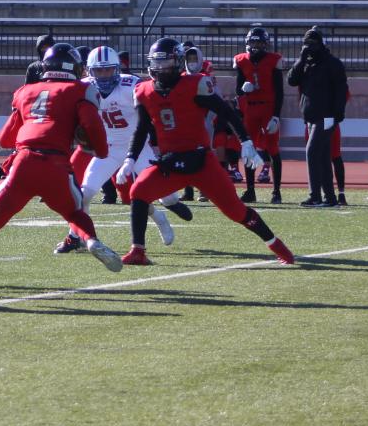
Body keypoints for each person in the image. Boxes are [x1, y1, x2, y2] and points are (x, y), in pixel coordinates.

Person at [0, 42, 124, 295]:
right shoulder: (81, 90)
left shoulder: (25, 91)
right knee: (75, 213)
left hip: (23, 164)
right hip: (55, 164)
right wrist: (100, 151)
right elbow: (93, 127)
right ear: (75, 68)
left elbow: (6, 139)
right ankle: (91, 241)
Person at [118, 37, 292, 266]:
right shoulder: (143, 90)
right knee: (138, 191)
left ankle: (277, 246)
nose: (161, 68)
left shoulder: (195, 83)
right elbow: (141, 129)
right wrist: (130, 158)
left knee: (236, 211)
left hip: (202, 162)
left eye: (166, 63)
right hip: (171, 163)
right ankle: (138, 251)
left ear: (179, 62)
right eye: (157, 63)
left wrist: (246, 141)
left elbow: (226, 111)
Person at [54, 45, 191, 255]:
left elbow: (155, 105)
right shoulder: (83, 87)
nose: (104, 75)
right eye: (99, 70)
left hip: (138, 147)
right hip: (106, 150)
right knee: (85, 194)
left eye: (108, 70)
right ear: (90, 71)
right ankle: (76, 237)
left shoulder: (131, 85)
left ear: (117, 69)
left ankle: (167, 209)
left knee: (166, 196)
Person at [287, 26, 347, 207]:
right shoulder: (305, 63)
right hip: (311, 117)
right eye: (307, 43)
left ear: (321, 44)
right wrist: (301, 59)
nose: (310, 47)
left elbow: (341, 90)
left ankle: (315, 196)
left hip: (327, 117)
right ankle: (329, 198)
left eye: (313, 43)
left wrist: (337, 114)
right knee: (322, 156)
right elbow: (291, 80)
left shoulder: (333, 63)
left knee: (312, 152)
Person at [235, 25, 285, 204]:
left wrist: (276, 116)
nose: (255, 46)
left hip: (268, 109)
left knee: (273, 149)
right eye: (253, 42)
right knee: (248, 148)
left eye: (258, 42)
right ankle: (250, 190)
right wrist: (243, 89)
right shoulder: (241, 60)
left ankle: (276, 191)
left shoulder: (274, 60)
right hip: (250, 109)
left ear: (265, 44)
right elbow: (238, 90)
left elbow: (279, 92)